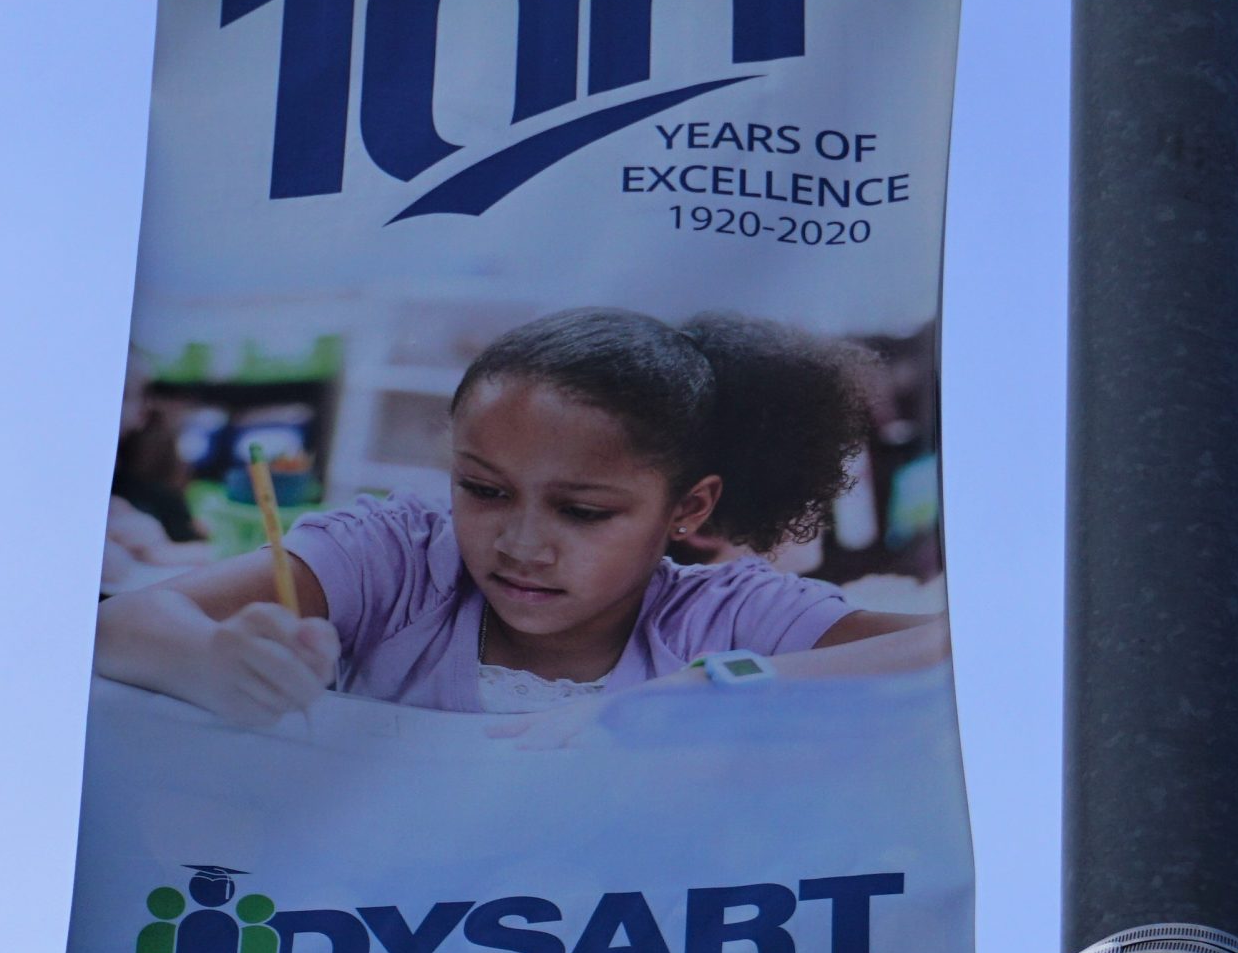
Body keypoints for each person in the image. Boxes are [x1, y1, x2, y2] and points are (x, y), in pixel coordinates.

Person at [94, 308, 945, 727]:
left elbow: (956, 646)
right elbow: (117, 625)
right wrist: (210, 659)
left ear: (688, 508)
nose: (521, 543)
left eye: (583, 510)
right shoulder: (395, 556)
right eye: (484, 489)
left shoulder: (719, 617)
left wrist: (720, 684)